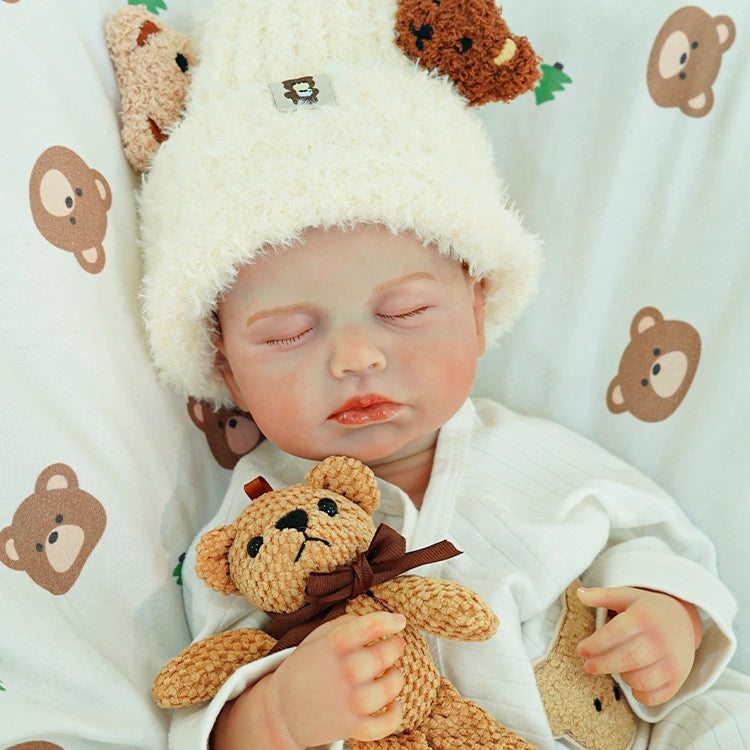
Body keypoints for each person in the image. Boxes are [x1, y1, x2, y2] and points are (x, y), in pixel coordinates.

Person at [135, 1, 750, 748]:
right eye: (288, 333)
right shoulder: (255, 527)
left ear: (479, 307)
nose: (356, 357)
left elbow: (656, 540)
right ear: (225, 367)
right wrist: (279, 713)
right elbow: (213, 684)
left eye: (404, 311)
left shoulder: (537, 457)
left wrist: (668, 618)